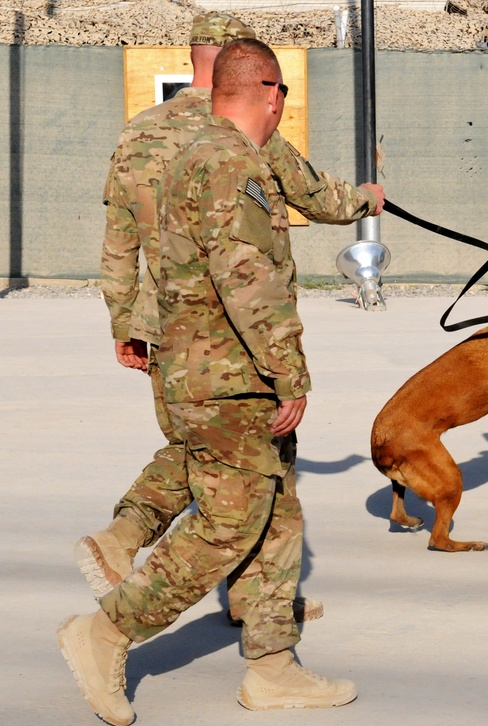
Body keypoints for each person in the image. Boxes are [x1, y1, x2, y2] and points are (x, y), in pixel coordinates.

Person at [58, 38, 356, 725]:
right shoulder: (231, 163)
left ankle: (273, 666)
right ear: (272, 93)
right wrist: (290, 376)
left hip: (199, 365)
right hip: (229, 375)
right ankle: (106, 632)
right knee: (225, 525)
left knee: (276, 507)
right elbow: (248, 280)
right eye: (280, 95)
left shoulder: (194, 152)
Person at [80, 12, 384, 612]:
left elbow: (118, 235)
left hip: (158, 322)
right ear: (246, 69)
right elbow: (314, 197)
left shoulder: (139, 131)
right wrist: (366, 200)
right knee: (242, 464)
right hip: (231, 333)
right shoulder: (239, 132)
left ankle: (142, 543)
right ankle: (242, 608)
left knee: (203, 454)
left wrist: (122, 323)